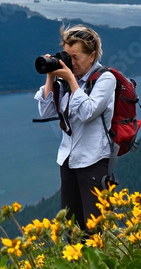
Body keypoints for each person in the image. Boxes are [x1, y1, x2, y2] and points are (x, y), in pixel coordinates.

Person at [33, 25, 116, 231]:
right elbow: (46, 111)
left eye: (76, 57)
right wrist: (51, 76)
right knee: (72, 226)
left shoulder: (105, 79)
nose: (71, 62)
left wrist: (70, 79)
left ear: (92, 56)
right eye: (67, 56)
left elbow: (88, 112)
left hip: (94, 160)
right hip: (68, 160)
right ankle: (75, 252)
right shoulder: (66, 81)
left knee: (97, 227)